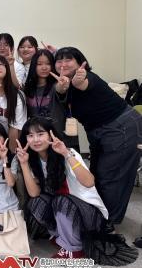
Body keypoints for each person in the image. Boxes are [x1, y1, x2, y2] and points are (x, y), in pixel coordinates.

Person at [53, 47, 142, 228]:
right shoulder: (65, 82)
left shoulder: (87, 77)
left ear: (80, 63)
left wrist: (79, 80)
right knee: (96, 174)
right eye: (59, 60)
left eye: (68, 60)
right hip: (97, 131)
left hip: (121, 126)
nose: (63, 64)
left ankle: (107, 223)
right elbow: (61, 88)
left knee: (111, 177)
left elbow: (83, 83)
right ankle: (100, 215)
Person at [16, 117, 108, 258]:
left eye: (40, 134)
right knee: (36, 202)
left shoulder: (69, 152)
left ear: (50, 134)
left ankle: (74, 249)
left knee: (60, 200)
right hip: (64, 208)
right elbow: (34, 193)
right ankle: (63, 236)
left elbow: (90, 182)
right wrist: (23, 164)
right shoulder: (33, 160)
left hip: (88, 213)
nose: (36, 140)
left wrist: (66, 153)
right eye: (30, 135)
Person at [23, 49, 78, 149]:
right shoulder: (28, 88)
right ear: (34, 66)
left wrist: (63, 86)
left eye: (48, 63)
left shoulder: (55, 85)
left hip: (60, 140)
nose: (44, 67)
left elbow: (60, 89)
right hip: (38, 140)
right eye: (39, 64)